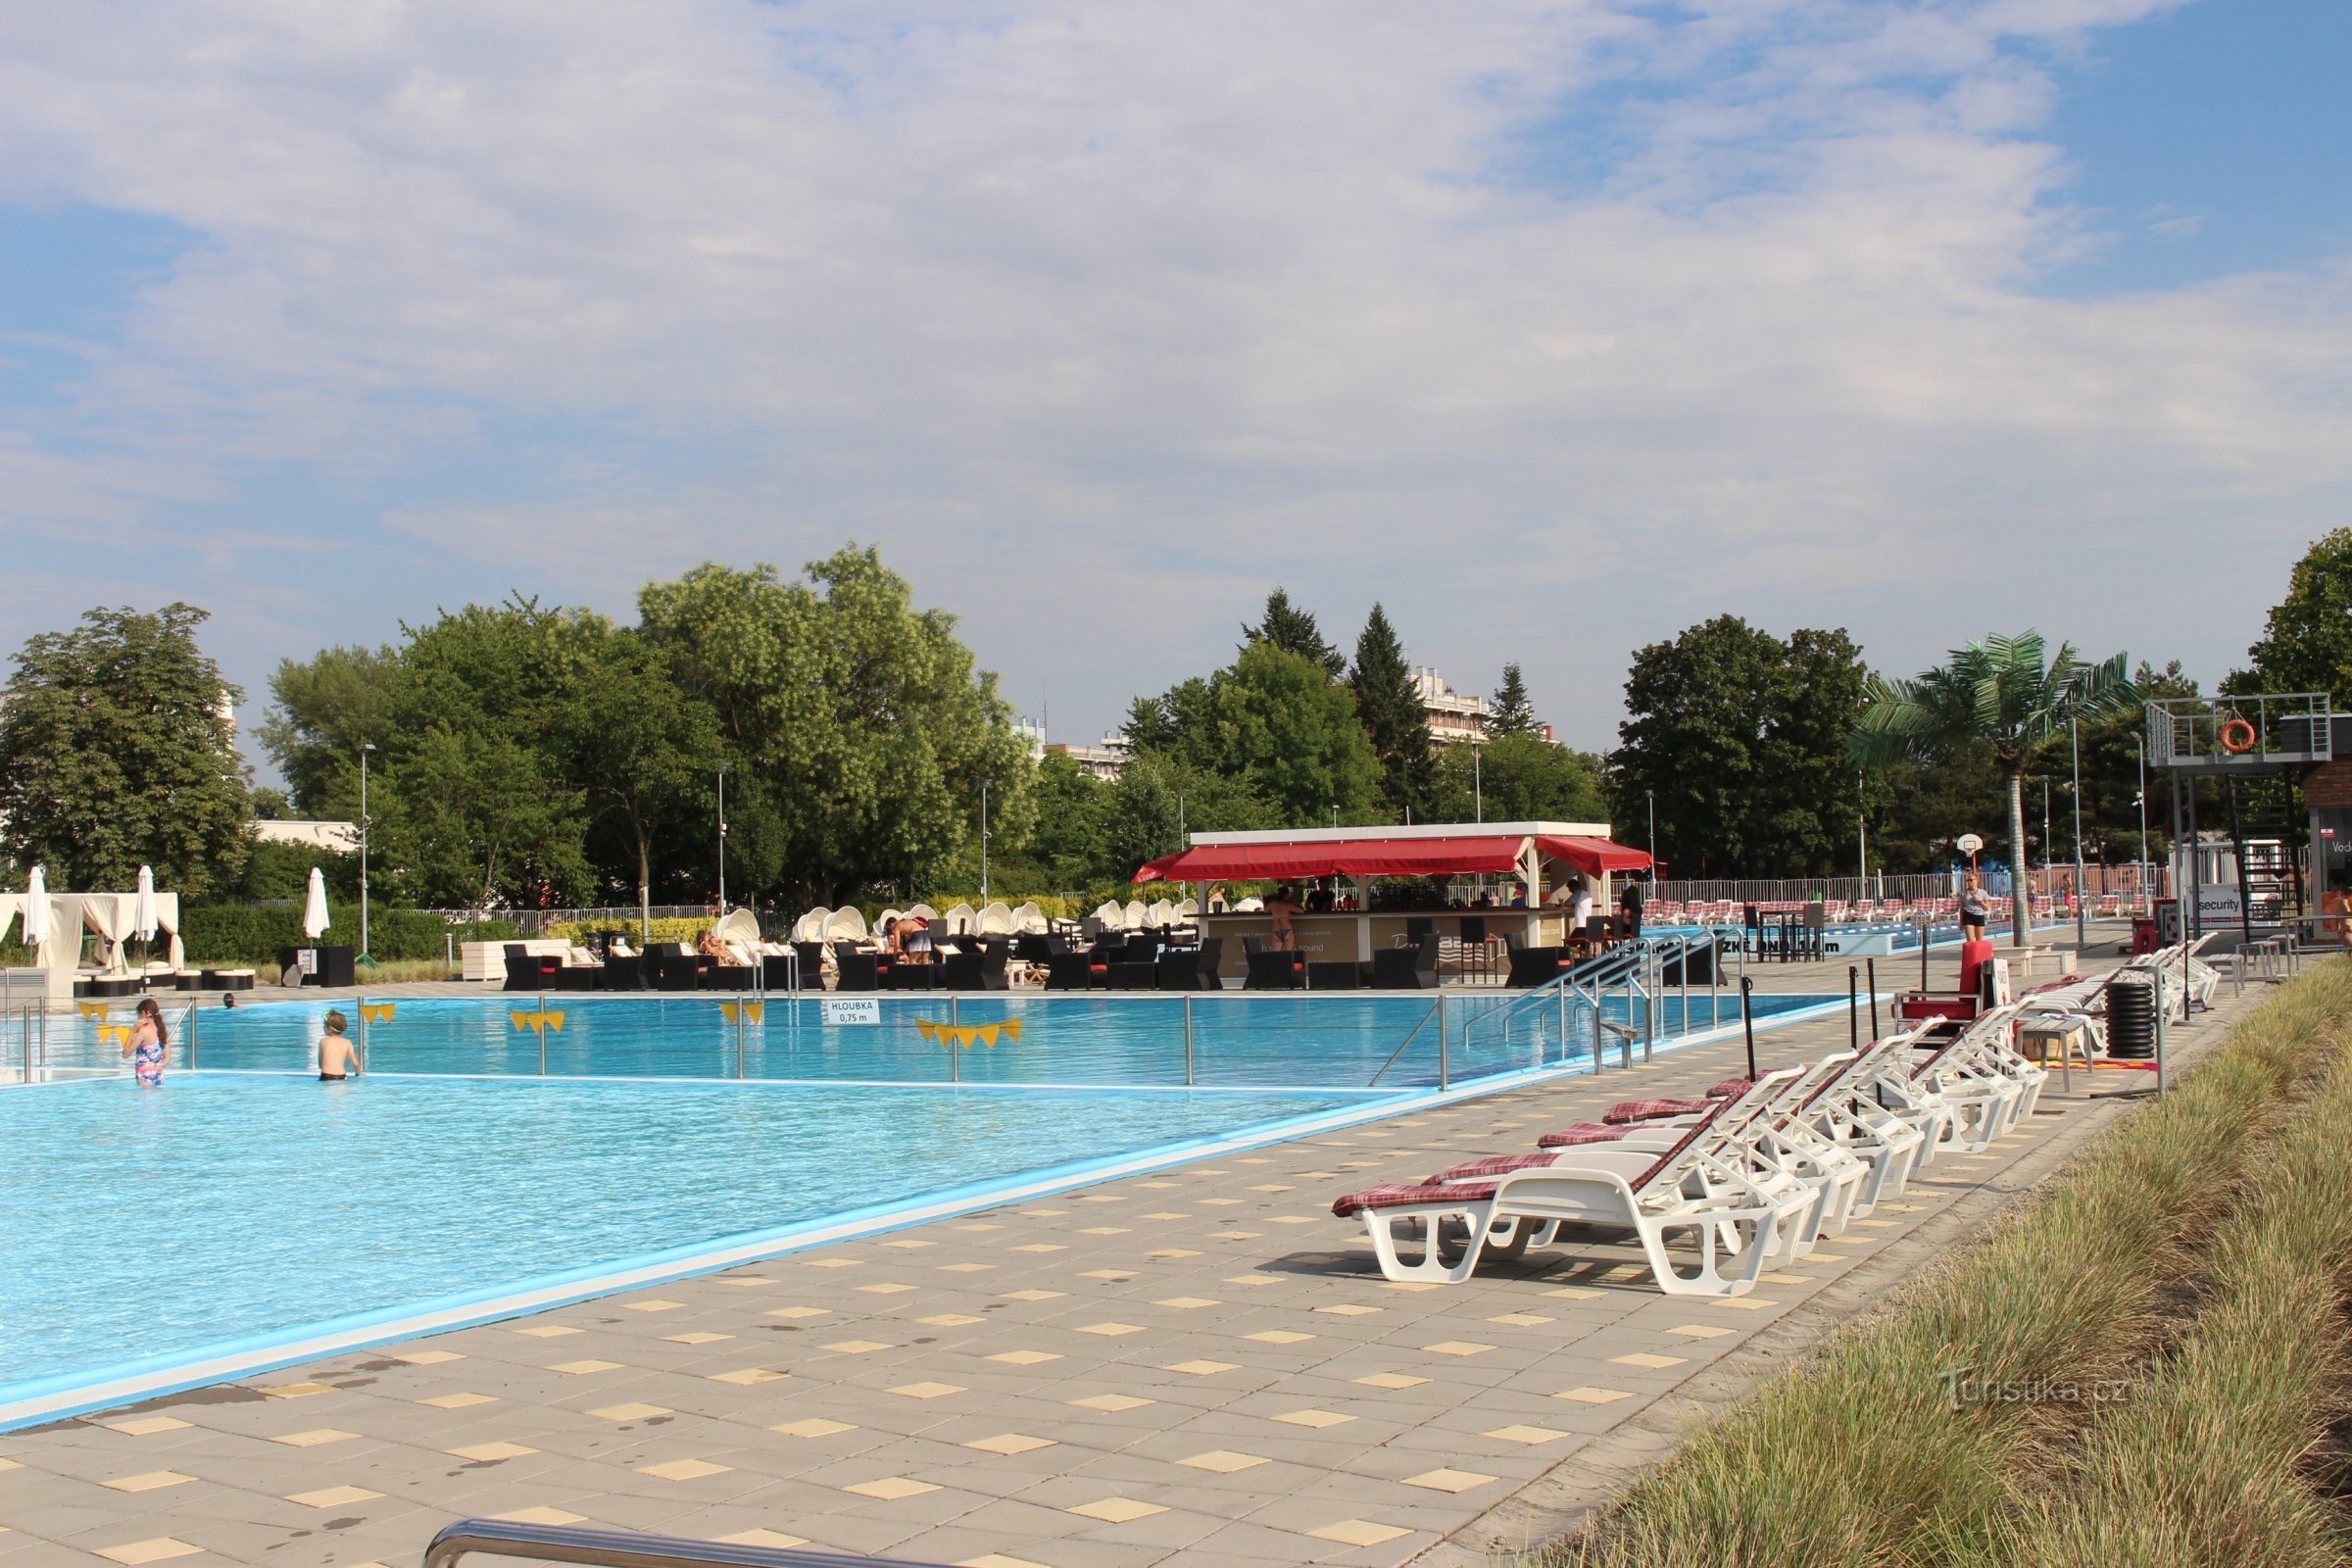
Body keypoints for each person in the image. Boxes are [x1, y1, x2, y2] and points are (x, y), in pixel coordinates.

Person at [123, 996, 168, 1087]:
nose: (138, 1018)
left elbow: (125, 1054)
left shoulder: (143, 1031)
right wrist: (156, 1067)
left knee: (146, 1100)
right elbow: (167, 1057)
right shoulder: (161, 1029)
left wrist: (132, 1031)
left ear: (144, 1013)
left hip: (144, 1074)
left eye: (138, 1015)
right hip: (159, 1073)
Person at [316, 1010, 363, 1080]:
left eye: (324, 1026)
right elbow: (355, 1063)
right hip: (341, 1076)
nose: (323, 1027)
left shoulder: (323, 1041)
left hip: (326, 1076)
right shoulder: (347, 1042)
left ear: (330, 1028)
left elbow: (320, 1065)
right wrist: (359, 1073)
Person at [1263, 884, 1302, 951]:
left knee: (1277, 957)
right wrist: (1294, 903)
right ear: (1285, 895)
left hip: (1276, 930)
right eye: (1288, 894)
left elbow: (1265, 910)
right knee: (1289, 955)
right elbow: (1301, 911)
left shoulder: (1272, 904)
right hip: (1287, 929)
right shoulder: (1287, 905)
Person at [1960, 871, 1990, 942]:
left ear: (1976, 881)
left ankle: (1978, 953)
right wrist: (1961, 923)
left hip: (1979, 916)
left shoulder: (1983, 892)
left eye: (1971, 880)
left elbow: (1986, 908)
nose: (1969, 882)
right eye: (1967, 880)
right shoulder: (1964, 893)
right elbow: (1961, 909)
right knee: (1970, 940)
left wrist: (1980, 901)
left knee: (1979, 940)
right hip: (1968, 916)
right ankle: (1971, 953)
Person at [1619, 875, 1646, 939]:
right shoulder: (1638, 909)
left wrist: (1617, 920)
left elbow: (1626, 923)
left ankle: (1610, 949)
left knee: (1602, 932)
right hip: (1634, 932)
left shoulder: (1627, 911)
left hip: (1625, 932)